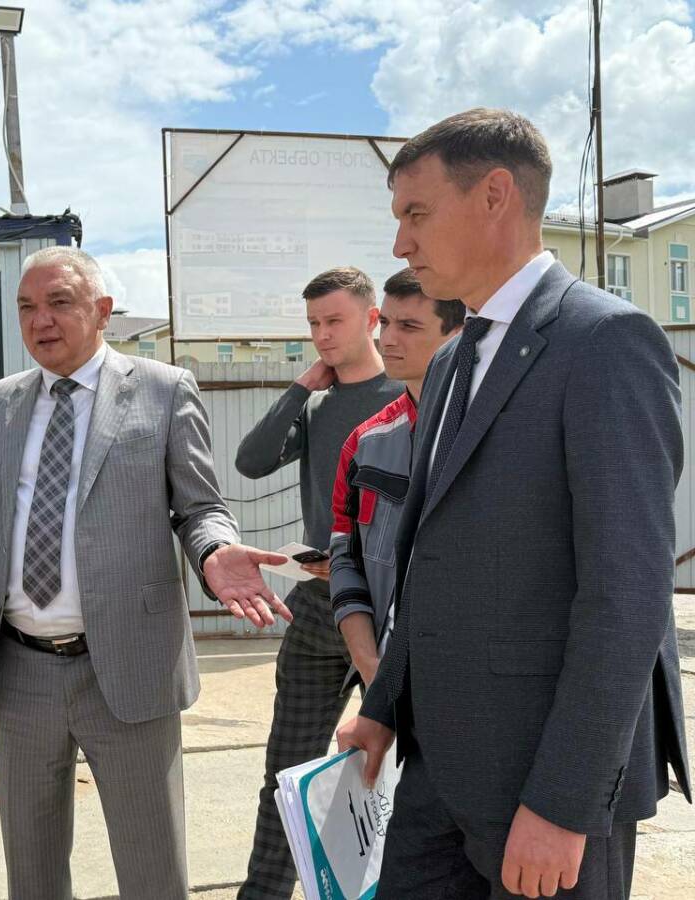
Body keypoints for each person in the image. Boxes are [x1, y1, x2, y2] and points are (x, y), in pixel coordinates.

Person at [337, 108, 690, 899]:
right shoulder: (453, 357)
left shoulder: (606, 343)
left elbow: (628, 594)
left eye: (416, 213)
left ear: (495, 195)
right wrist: (383, 705)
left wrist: (564, 802)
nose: (400, 243)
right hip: (437, 770)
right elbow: (430, 560)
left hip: (543, 783)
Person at [0, 245, 291, 900]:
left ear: (103, 310)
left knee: (152, 872)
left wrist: (214, 552)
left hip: (128, 664)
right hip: (21, 671)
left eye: (59, 302)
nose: (40, 320)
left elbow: (199, 507)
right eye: (27, 307)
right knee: (31, 875)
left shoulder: (164, 390)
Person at [235, 266, 404, 899]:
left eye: (335, 321)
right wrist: (303, 385)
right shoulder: (317, 405)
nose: (323, 335)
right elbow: (251, 462)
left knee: (399, 773)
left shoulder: (407, 395)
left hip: (389, 612)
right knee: (286, 774)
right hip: (315, 610)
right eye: (313, 324)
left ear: (372, 319)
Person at [329, 269, 464, 687]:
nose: (387, 339)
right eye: (385, 323)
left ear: (457, 334)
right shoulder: (363, 444)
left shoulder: (499, 437)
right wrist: (369, 664)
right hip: (386, 676)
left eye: (409, 326)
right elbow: (345, 557)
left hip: (473, 677)